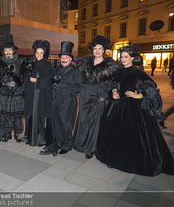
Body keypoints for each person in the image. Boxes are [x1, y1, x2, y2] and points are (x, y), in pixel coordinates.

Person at [96, 45, 174, 176]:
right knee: (114, 132)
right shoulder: (118, 70)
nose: (123, 59)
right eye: (122, 57)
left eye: (126, 57)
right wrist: (114, 91)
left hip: (131, 107)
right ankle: (113, 157)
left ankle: (129, 160)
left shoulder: (137, 72)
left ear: (132, 58)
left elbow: (152, 86)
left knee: (131, 133)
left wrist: (137, 95)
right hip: (116, 105)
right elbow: (112, 83)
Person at [72, 35, 118, 159]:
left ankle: (91, 148)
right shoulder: (85, 62)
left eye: (100, 49)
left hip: (99, 96)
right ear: (92, 50)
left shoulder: (110, 65)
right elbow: (80, 79)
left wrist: (105, 94)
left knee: (95, 123)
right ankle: (80, 144)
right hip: (85, 94)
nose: (97, 51)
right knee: (82, 120)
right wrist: (80, 91)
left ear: (104, 50)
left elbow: (113, 81)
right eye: (95, 48)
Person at [40, 41, 82, 156]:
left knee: (66, 124)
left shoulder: (75, 71)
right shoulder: (59, 69)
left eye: (66, 57)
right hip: (56, 100)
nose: (63, 59)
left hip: (67, 102)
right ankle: (58, 142)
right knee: (57, 123)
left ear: (70, 59)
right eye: (62, 57)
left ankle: (66, 145)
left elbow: (78, 87)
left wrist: (62, 90)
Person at [24, 40, 54, 146]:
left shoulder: (48, 65)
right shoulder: (32, 64)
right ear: (35, 53)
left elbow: (50, 80)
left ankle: (40, 138)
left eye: (41, 53)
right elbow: (26, 79)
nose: (39, 55)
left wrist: (38, 81)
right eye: (37, 53)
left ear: (44, 53)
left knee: (41, 116)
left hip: (42, 95)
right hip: (32, 94)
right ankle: (31, 137)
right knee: (32, 115)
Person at [0, 34, 25, 142]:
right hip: (5, 91)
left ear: (13, 51)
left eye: (10, 50)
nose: (8, 52)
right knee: (7, 115)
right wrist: (1, 81)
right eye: (6, 50)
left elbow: (26, 75)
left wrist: (23, 88)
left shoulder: (20, 62)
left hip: (17, 91)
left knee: (17, 115)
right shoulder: (0, 63)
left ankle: (17, 133)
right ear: (3, 51)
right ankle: (7, 132)